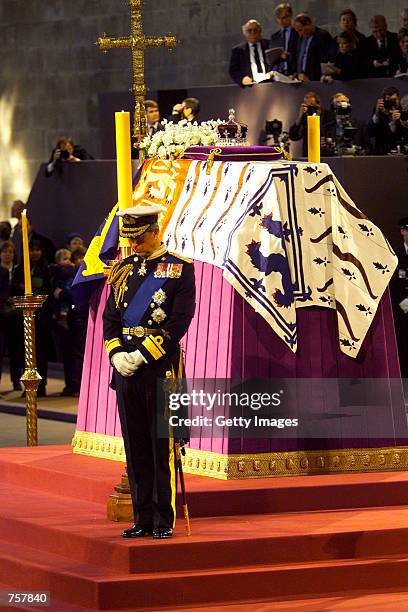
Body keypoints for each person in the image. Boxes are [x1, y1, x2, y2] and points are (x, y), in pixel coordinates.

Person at [103, 205, 196, 539]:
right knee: (135, 442)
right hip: (125, 368)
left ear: (155, 230)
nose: (134, 245)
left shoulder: (180, 270)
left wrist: (142, 355)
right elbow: (110, 318)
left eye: (139, 238)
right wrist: (117, 355)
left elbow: (178, 322)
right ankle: (141, 517)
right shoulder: (123, 269)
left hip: (158, 368)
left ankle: (162, 519)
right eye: (131, 239)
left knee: (160, 446)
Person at [11, 239, 53, 396]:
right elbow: (15, 287)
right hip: (22, 317)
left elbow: (44, 290)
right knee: (25, 351)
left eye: (37, 250)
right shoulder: (20, 269)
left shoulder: (45, 269)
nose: (35, 253)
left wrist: (30, 287)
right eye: (32, 250)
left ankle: (40, 386)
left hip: (41, 318)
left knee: (40, 353)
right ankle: (27, 386)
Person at [288, 91, 335, 157]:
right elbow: (293, 136)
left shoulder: (328, 115)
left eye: (312, 105)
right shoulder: (305, 117)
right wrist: (300, 116)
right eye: (307, 105)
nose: (310, 108)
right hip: (308, 154)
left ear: (318, 104)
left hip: (326, 154)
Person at [229, 19, 273, 86]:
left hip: (271, 84)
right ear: (245, 33)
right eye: (249, 30)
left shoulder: (270, 45)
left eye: (255, 30)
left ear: (260, 31)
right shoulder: (238, 50)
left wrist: (272, 73)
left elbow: (277, 63)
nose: (253, 33)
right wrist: (242, 79)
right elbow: (233, 71)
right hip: (250, 88)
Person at [390, 217, 408, 379]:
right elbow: (393, 282)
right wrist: (403, 302)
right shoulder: (396, 255)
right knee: (403, 345)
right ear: (403, 231)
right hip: (402, 309)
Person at [293, 13, 332, 81]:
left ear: (308, 24)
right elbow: (300, 58)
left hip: (316, 78)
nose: (300, 34)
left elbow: (325, 59)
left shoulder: (322, 36)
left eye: (301, 30)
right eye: (297, 31)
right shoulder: (301, 38)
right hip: (301, 78)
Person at [368, 85, 402, 154]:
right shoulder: (379, 111)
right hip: (382, 148)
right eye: (388, 99)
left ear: (398, 98)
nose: (391, 102)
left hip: (398, 147)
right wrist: (377, 112)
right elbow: (371, 130)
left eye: (394, 99)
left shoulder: (401, 110)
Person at [270, 3, 299, 75]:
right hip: (279, 73)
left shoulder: (298, 33)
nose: (281, 21)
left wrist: (289, 55)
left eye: (284, 18)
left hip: (294, 72)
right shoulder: (275, 36)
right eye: (279, 18)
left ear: (290, 16)